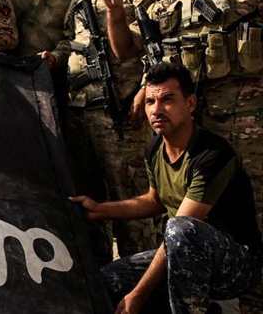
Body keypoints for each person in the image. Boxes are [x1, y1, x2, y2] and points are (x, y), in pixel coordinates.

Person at [111, 0, 263, 236]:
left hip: (250, 125)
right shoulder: (166, 2)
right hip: (194, 131)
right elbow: (127, 49)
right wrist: (113, 13)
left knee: (254, 206)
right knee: (199, 215)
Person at [70, 62, 262, 314]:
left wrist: (137, 295)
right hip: (182, 252)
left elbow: (183, 228)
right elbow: (155, 200)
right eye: (150, 101)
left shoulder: (212, 155)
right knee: (108, 280)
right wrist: (98, 210)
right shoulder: (155, 147)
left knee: (178, 229)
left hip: (235, 266)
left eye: (168, 100)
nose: (157, 110)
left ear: (190, 104)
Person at [65, 0, 167, 264]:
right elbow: (71, 39)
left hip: (121, 115)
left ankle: (140, 281)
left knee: (130, 208)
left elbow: (158, 41)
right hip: (81, 112)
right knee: (90, 206)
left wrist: (145, 88)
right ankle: (101, 281)